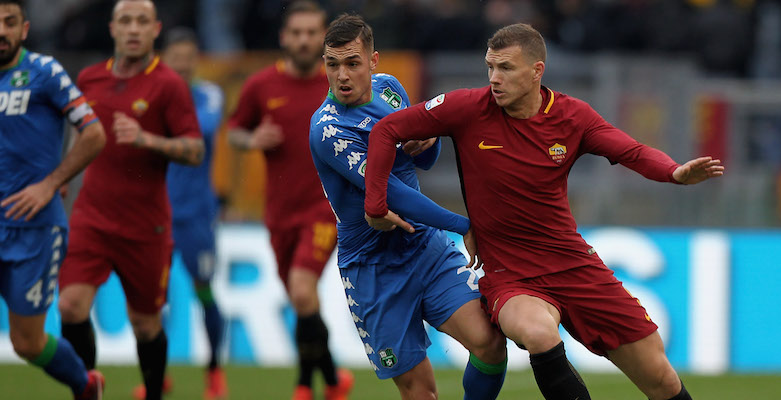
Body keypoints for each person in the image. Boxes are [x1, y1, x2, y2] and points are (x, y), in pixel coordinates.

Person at [364, 23, 725, 400]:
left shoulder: (573, 117)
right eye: (490, 67)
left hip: (573, 263)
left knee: (661, 379)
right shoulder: (467, 108)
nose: (494, 78)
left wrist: (674, 172)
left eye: (505, 68)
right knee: (538, 333)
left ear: (537, 71)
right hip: (512, 275)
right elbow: (386, 130)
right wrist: (375, 204)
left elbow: (630, 151)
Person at [310, 14, 508, 400]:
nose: (342, 75)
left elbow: (423, 159)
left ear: (373, 60)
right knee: (421, 392)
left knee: (490, 344)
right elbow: (390, 193)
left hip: (424, 249)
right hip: (373, 271)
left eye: (352, 63)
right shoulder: (328, 128)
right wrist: (463, 224)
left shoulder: (390, 90)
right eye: (333, 65)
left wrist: (429, 140)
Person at [56, 1, 205, 400]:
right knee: (70, 306)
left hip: (146, 225)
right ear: (113, 28)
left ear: (155, 29)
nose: (133, 29)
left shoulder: (168, 84)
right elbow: (75, 132)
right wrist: (62, 176)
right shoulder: (89, 78)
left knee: (145, 324)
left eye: (142, 21)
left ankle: (153, 393)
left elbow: (195, 149)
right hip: (92, 215)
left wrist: (146, 139)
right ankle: (85, 389)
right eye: (126, 21)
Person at [226, 2, 352, 399]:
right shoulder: (261, 85)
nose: (303, 40)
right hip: (278, 213)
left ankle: (303, 385)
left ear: (323, 37)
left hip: (323, 209)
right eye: (296, 33)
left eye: (311, 33)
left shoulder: (338, 86)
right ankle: (334, 381)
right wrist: (252, 140)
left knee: (301, 290)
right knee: (302, 300)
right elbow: (234, 130)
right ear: (284, 37)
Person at [0, 1, 106, 398]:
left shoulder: (44, 72)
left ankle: (85, 385)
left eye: (9, 23)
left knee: (26, 343)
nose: (1, 31)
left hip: (34, 229)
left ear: (24, 29)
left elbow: (93, 133)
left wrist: (52, 181)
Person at [156, 27, 226, 400]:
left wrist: (152, 133)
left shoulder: (209, 95)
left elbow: (202, 129)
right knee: (154, 299)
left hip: (197, 214)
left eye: (187, 58)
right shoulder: (154, 97)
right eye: (175, 58)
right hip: (157, 213)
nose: (181, 65)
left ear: (196, 60)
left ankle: (214, 370)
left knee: (204, 290)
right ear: (164, 60)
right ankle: (157, 376)